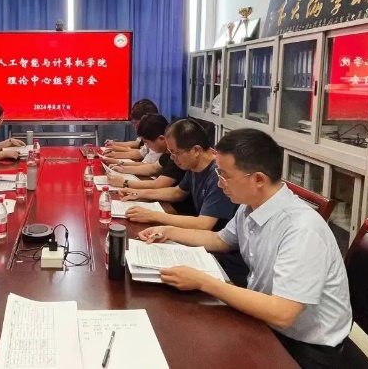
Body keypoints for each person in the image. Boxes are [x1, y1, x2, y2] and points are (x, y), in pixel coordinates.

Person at [138, 129, 352, 369]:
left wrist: (203, 282)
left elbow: (283, 313)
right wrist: (168, 231)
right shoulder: (250, 206)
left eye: (225, 175)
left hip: (304, 348)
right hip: (264, 322)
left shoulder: (301, 229)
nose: (220, 183)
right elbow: (220, 240)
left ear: (258, 179)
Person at [119, 118, 238, 232]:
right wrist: (139, 193)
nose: (172, 158)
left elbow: (204, 224)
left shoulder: (218, 174)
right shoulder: (194, 165)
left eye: (175, 153)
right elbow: (178, 192)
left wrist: (153, 215)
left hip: (214, 238)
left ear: (196, 150)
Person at [106, 114, 185, 190]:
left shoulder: (176, 156)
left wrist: (125, 183)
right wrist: (123, 169)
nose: (147, 146)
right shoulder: (167, 154)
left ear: (161, 138)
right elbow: (153, 168)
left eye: (147, 142)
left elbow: (158, 184)